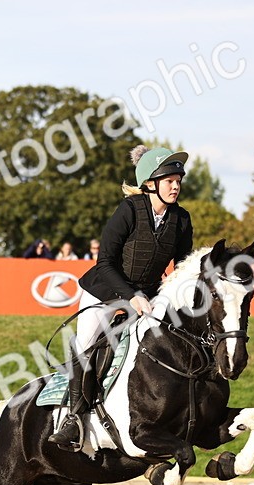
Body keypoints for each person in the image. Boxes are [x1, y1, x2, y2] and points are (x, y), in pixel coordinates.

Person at [47, 145, 194, 451]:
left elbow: (182, 265)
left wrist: (174, 287)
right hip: (104, 291)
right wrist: (133, 296)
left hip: (149, 294)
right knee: (87, 344)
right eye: (169, 180)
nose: (176, 184)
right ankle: (73, 420)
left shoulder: (181, 219)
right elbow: (105, 262)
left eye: (178, 179)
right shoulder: (129, 210)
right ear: (151, 183)